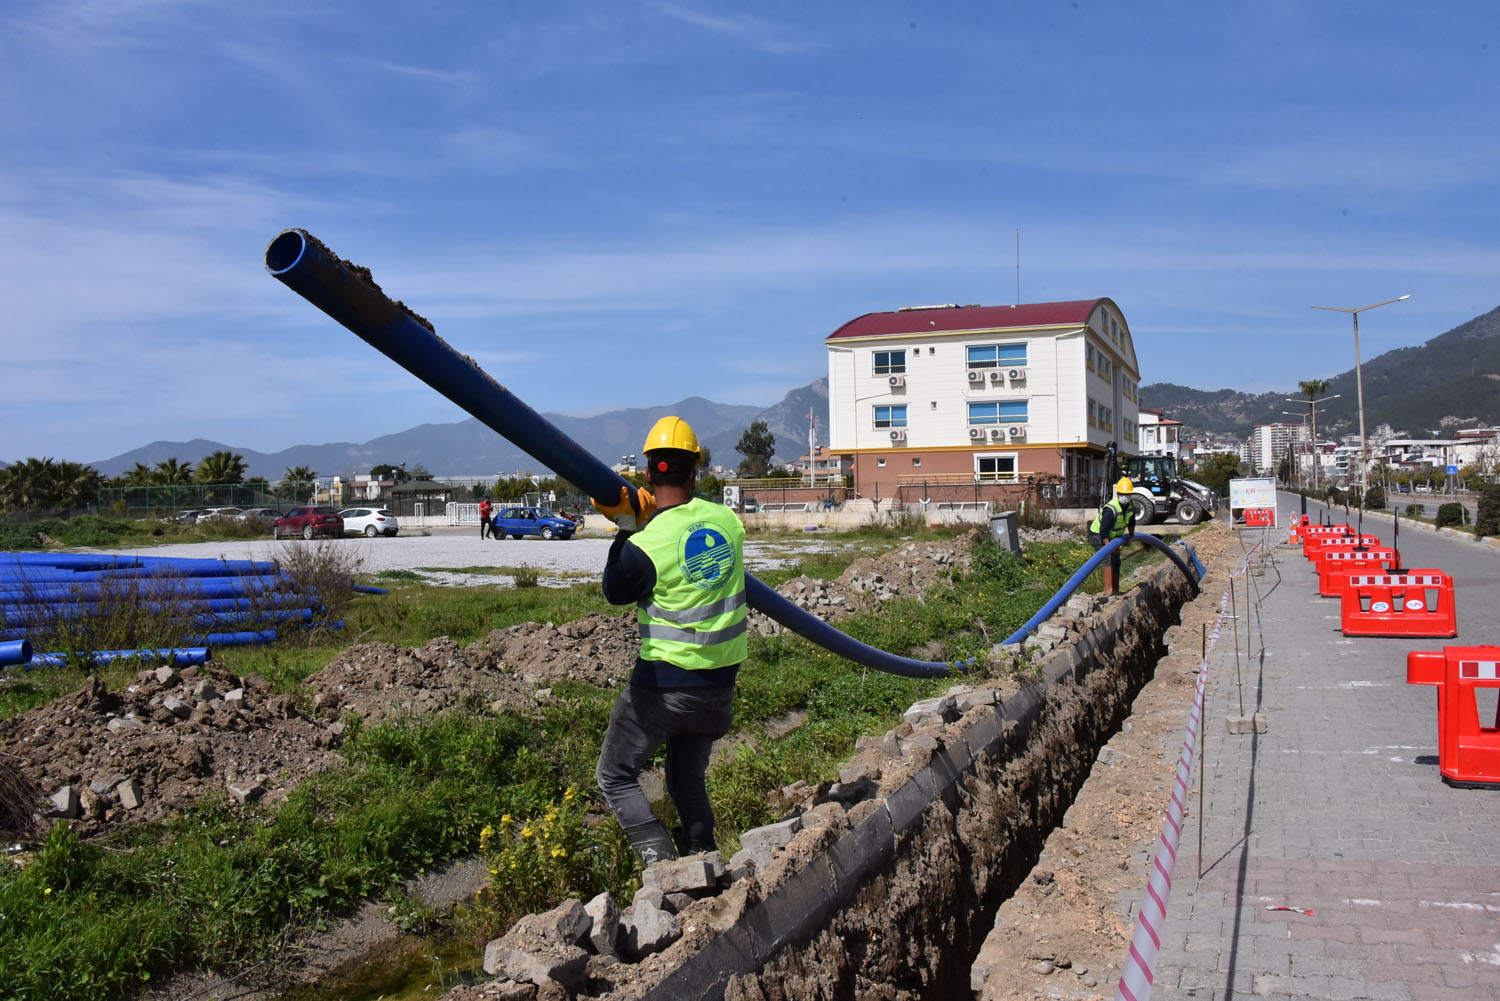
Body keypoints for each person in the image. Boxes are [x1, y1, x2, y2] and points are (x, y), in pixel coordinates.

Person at [591, 416, 747, 867]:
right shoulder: (728, 523)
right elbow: (694, 538)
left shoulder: (647, 542)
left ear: (647, 474)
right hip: (718, 691)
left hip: (665, 689)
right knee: (685, 780)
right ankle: (703, 860)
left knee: (616, 776)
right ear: (695, 471)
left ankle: (663, 867)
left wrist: (626, 525)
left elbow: (615, 591)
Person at [1089, 477, 1137, 550]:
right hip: (1098, 534)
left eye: (1127, 494)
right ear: (1117, 494)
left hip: (1112, 536)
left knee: (1115, 558)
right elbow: (1103, 530)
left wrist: (1131, 537)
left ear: (1130, 494)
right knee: (1107, 557)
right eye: (1122, 494)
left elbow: (1131, 523)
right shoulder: (1111, 510)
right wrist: (1110, 548)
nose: (1124, 497)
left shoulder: (1131, 506)